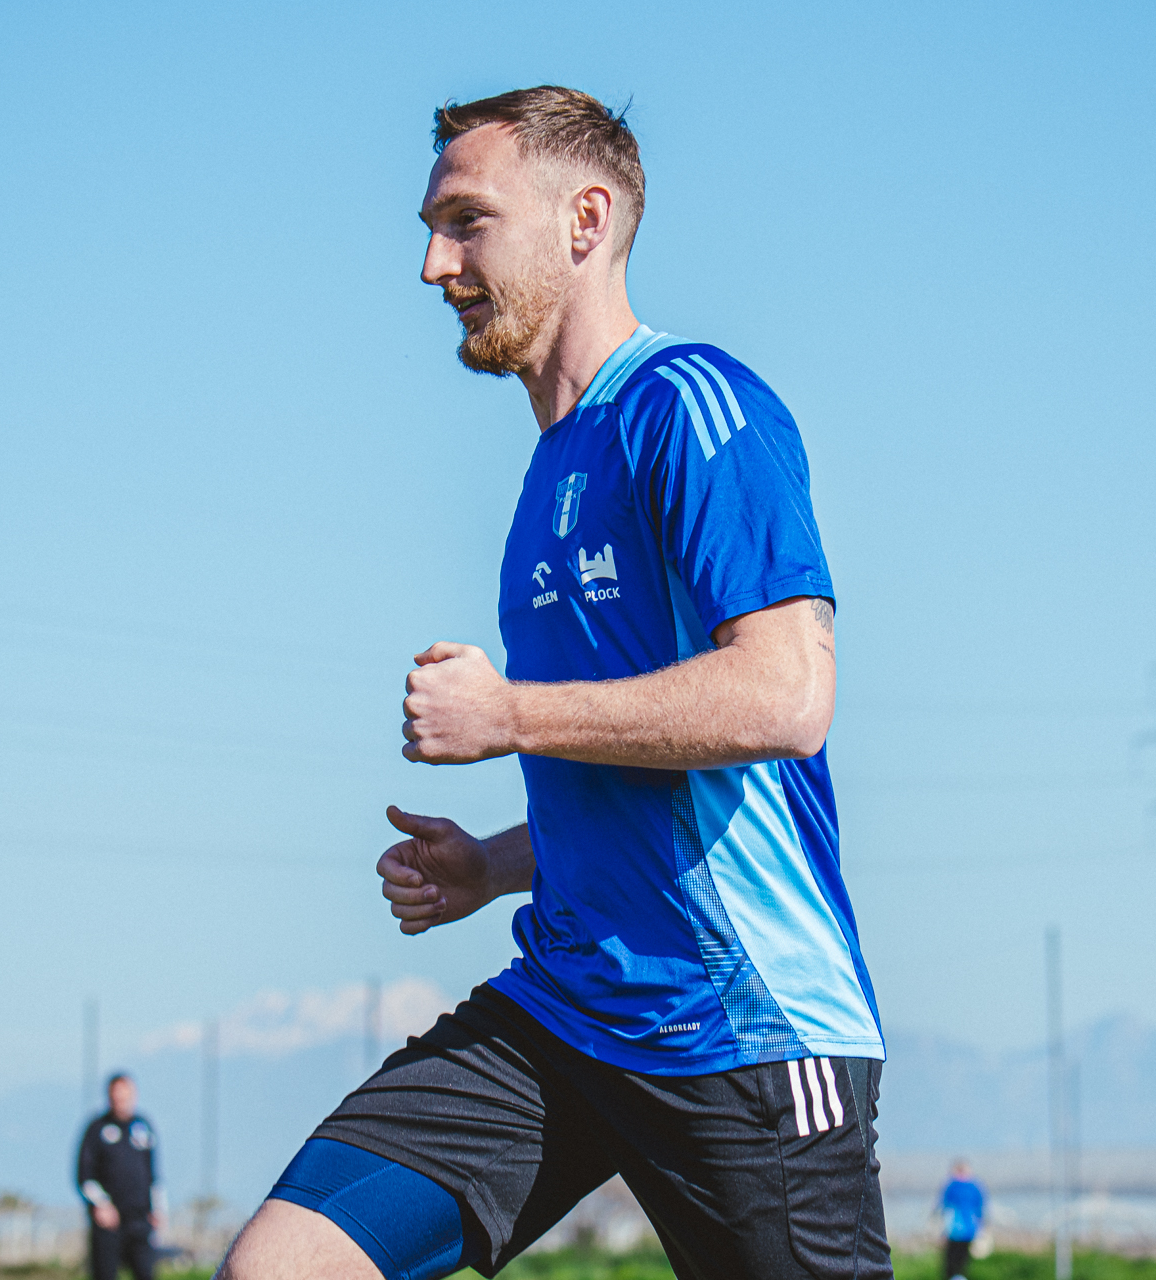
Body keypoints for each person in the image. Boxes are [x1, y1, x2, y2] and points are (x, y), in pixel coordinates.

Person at [217, 85, 886, 1280]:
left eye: (467, 222)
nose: (435, 265)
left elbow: (786, 696)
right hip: (564, 1008)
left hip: (739, 1024)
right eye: (432, 230)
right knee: (282, 1265)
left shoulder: (694, 407)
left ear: (585, 220)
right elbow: (649, 781)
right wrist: (494, 864)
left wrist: (509, 715)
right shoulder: (548, 470)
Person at [76, 1073, 166, 1280]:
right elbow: (84, 1176)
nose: (121, 1101)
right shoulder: (97, 1128)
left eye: (125, 1096)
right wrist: (101, 1204)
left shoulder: (143, 1127)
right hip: (109, 1222)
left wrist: (159, 1208)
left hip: (139, 1219)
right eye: (116, 1096)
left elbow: (153, 1174)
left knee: (145, 1272)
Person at [936, 1160, 986, 1280]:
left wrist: (942, 1231)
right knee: (963, 1262)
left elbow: (944, 1208)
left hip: (953, 1230)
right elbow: (980, 1210)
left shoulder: (952, 1186)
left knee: (950, 1263)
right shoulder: (975, 1187)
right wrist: (980, 1229)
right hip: (969, 1230)